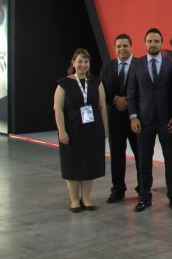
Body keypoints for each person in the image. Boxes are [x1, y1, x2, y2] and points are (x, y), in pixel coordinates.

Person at [127, 28, 172, 212]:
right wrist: (133, 117)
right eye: (149, 41)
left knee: (171, 159)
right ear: (145, 43)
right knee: (144, 160)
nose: (153, 44)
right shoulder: (136, 64)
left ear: (162, 43)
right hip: (144, 120)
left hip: (167, 120)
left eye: (156, 41)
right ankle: (144, 197)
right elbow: (132, 92)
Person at [53, 48, 108, 212]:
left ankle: (87, 198)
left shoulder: (96, 82)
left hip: (92, 129)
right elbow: (58, 109)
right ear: (73, 63)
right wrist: (62, 131)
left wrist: (105, 129)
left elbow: (102, 107)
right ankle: (75, 199)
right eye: (79, 61)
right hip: (72, 129)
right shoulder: (64, 83)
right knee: (72, 163)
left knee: (89, 163)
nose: (83, 64)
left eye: (86, 61)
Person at [99, 34, 140, 203]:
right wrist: (115, 99)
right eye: (119, 46)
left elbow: (145, 89)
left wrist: (129, 102)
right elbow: (102, 91)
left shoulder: (140, 65)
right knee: (116, 157)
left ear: (131, 47)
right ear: (115, 48)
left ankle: (143, 188)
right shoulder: (107, 67)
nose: (122, 49)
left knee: (141, 156)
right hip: (115, 120)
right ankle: (118, 190)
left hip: (137, 120)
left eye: (125, 45)